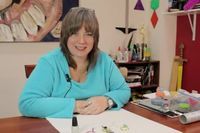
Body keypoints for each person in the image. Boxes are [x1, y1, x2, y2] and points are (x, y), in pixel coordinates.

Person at [19, 7, 131, 118]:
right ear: (65, 36)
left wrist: (107, 101)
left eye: (88, 34)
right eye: (74, 33)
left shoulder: (104, 60)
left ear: (95, 38)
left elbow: (124, 90)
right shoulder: (49, 62)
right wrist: (75, 106)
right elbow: (27, 103)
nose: (81, 41)